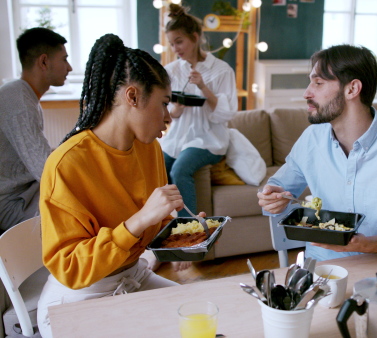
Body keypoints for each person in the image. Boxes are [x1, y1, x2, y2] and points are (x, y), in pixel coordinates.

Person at [36, 34, 199, 337]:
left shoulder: (147, 147)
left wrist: (187, 236)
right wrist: (139, 220)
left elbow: (152, 226)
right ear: (133, 97)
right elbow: (71, 267)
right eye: (164, 103)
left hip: (132, 276)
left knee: (198, 314)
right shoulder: (66, 165)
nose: (168, 117)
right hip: (79, 294)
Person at [257, 45, 377, 262]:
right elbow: (279, 189)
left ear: (352, 89)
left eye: (318, 83)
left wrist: (368, 244)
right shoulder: (312, 139)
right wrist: (271, 198)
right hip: (320, 268)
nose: (306, 93)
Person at [159, 3, 238, 217]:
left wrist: (203, 87)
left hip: (208, 138)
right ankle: (162, 228)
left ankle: (190, 232)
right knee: (156, 168)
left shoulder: (221, 70)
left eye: (179, 41)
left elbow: (227, 113)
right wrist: (177, 107)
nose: (176, 48)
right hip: (177, 136)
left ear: (194, 37)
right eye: (172, 44)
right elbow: (169, 115)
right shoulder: (171, 71)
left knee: (180, 170)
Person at [0, 27, 72, 234]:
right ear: (43, 62)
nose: (69, 67)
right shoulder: (18, 100)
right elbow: (45, 170)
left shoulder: (23, 95)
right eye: (64, 59)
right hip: (11, 203)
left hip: (26, 193)